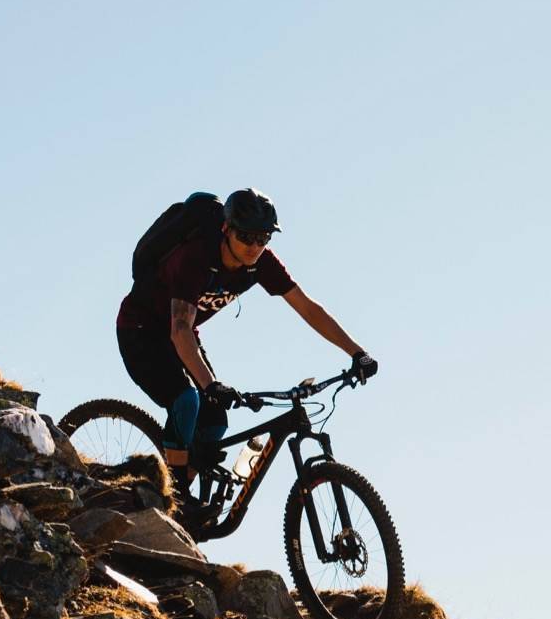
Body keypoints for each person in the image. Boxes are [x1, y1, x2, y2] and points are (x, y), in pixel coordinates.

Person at [115, 188, 377, 499]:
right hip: (141, 331)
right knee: (186, 399)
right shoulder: (197, 257)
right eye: (247, 237)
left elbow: (307, 308)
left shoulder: (261, 263)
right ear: (226, 229)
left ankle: (183, 492)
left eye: (264, 238)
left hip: (182, 338)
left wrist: (357, 352)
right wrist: (210, 384)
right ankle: (173, 497)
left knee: (214, 422)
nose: (255, 246)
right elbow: (180, 329)